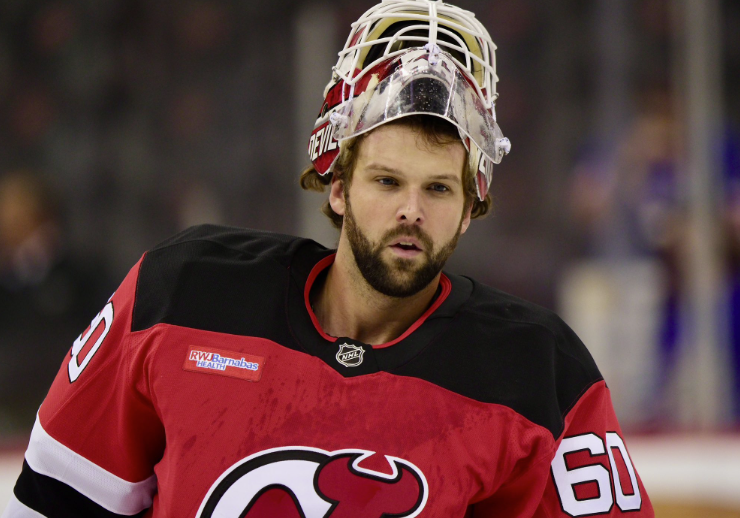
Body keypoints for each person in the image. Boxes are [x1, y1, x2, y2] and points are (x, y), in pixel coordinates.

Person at [3, 1, 654, 516]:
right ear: (337, 187)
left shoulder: (538, 372)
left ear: (470, 206)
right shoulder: (184, 292)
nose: (411, 211)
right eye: (386, 182)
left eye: (438, 189)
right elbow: (60, 502)